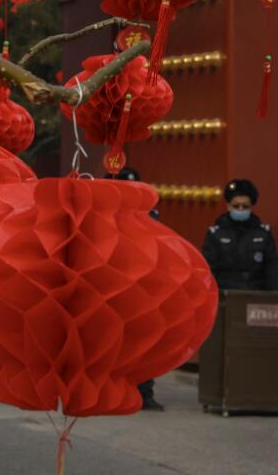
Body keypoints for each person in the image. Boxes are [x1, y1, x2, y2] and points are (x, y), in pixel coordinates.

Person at [113, 167, 164, 410]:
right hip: (114, 285)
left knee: (144, 340)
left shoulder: (150, 215)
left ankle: (145, 391)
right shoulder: (105, 213)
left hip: (144, 285)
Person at [202, 179, 278, 291]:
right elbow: (209, 270)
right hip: (226, 294)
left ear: (251, 207)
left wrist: (273, 299)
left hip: (256, 294)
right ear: (228, 206)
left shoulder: (263, 234)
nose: (240, 209)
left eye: (245, 206)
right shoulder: (216, 234)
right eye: (236, 206)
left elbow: (272, 270)